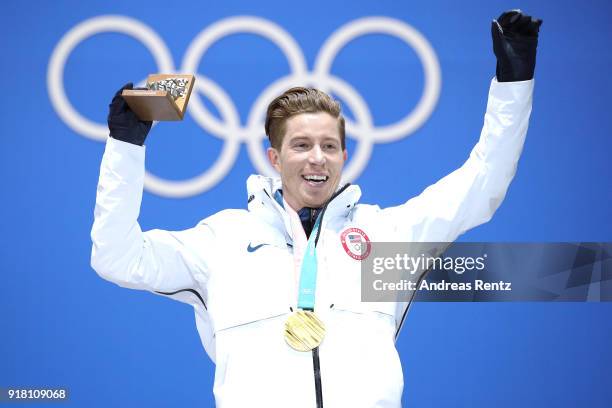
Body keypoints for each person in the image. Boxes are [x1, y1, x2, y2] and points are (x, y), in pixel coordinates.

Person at [91, 10, 542, 408]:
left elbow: (483, 183)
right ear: (274, 158)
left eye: (329, 146)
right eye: (302, 145)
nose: (317, 158)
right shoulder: (223, 240)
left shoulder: (387, 237)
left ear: (345, 156)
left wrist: (514, 84)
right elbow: (117, 257)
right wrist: (125, 148)